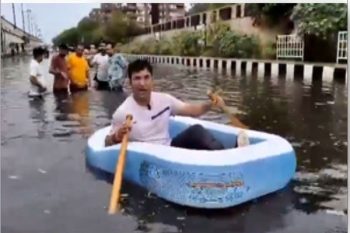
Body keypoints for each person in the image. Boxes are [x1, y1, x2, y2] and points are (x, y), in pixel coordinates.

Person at [104, 59, 227, 150]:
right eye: (137, 78)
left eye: (146, 78)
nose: (142, 83)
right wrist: (116, 136)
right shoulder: (122, 112)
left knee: (197, 131)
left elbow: (192, 110)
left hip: (169, 149)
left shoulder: (164, 100)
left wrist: (211, 105)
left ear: (152, 81)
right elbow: (107, 142)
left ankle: (227, 156)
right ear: (130, 82)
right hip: (147, 158)